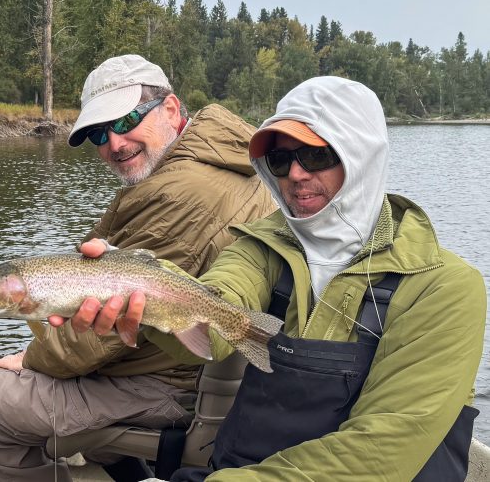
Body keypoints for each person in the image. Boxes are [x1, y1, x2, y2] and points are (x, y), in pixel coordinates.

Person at [63, 76, 487, 481]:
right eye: (281, 160)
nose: (296, 175)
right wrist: (140, 283)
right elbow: (212, 319)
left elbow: (380, 451)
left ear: (362, 155)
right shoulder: (261, 246)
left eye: (316, 155)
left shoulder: (446, 287)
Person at [0, 54, 277, 481]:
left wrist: (33, 359)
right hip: (197, 373)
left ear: (170, 108)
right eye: (97, 134)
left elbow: (96, 342)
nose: (114, 143)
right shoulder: (230, 158)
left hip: (174, 386)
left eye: (125, 122)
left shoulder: (177, 196)